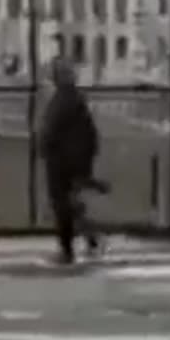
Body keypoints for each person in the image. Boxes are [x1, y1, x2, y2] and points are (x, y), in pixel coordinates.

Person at [39, 57, 104, 265]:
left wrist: (43, 147)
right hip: (74, 161)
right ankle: (90, 238)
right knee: (71, 204)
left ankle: (68, 249)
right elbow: (89, 135)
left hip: (62, 162)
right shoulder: (75, 99)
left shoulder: (63, 100)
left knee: (63, 205)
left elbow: (51, 130)